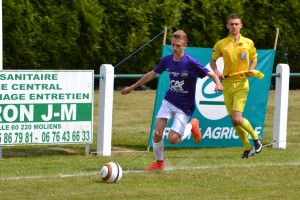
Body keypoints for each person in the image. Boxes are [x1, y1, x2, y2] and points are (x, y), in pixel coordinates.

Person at [122, 30, 223, 170]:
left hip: (184, 106)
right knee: (157, 133)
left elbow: (211, 74)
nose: (175, 48)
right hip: (169, 100)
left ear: (185, 46)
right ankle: (159, 163)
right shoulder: (167, 60)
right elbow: (151, 74)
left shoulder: (190, 62)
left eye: (178, 46)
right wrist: (132, 87)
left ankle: (192, 125)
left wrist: (218, 83)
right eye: (173, 45)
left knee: (173, 139)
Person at [210, 14, 263, 159]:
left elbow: (254, 59)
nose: (234, 26)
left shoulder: (248, 43)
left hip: (241, 83)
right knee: (234, 121)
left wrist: (251, 70)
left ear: (241, 26)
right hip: (227, 84)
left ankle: (257, 139)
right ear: (227, 26)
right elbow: (213, 61)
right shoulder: (221, 44)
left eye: (236, 24)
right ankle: (247, 148)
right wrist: (216, 71)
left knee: (237, 118)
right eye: (231, 24)